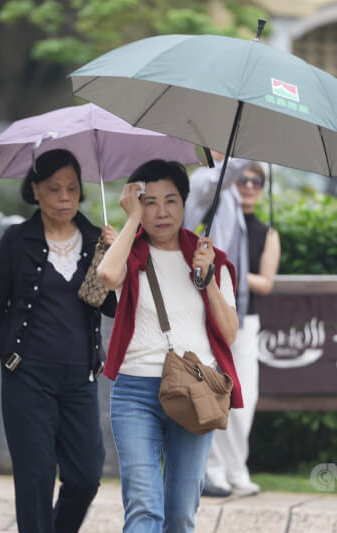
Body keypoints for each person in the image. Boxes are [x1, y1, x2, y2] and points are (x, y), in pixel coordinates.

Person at [0, 149, 117, 533]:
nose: (65, 198)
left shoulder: (97, 240)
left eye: (72, 189)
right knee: (36, 477)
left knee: (85, 476)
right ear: (35, 190)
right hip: (27, 375)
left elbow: (111, 306)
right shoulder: (16, 240)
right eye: (54, 188)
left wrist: (115, 257)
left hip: (80, 377)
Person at [97, 159, 243, 533]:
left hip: (196, 390)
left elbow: (229, 333)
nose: (162, 212)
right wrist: (131, 220)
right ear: (136, 204)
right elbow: (106, 276)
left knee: (180, 513)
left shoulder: (210, 258)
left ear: (185, 202)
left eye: (171, 200)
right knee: (144, 508)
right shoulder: (128, 253)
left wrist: (208, 279)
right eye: (150, 202)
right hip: (135, 391)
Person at [200, 162, 281, 497]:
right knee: (211, 392)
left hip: (246, 320)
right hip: (211, 316)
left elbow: (266, 282)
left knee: (242, 398)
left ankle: (237, 469)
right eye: (243, 179)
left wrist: (230, 267)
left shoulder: (267, 232)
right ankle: (213, 471)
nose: (249, 186)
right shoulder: (215, 217)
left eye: (256, 181)